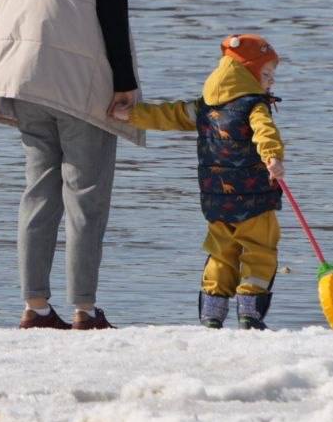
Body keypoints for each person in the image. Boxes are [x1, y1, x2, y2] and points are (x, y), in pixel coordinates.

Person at [0, 0, 144, 331]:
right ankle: (85, 310)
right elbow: (114, 21)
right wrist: (125, 86)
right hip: (79, 84)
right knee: (86, 195)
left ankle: (35, 306)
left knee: (38, 192)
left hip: (21, 78)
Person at [112, 34, 285, 330]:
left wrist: (132, 115)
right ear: (247, 73)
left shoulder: (204, 107)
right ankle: (250, 313)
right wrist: (273, 158)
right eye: (266, 74)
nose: (271, 82)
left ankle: (212, 314)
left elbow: (171, 115)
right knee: (259, 249)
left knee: (221, 251)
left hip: (216, 197)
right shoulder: (254, 105)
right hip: (254, 197)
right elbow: (264, 131)